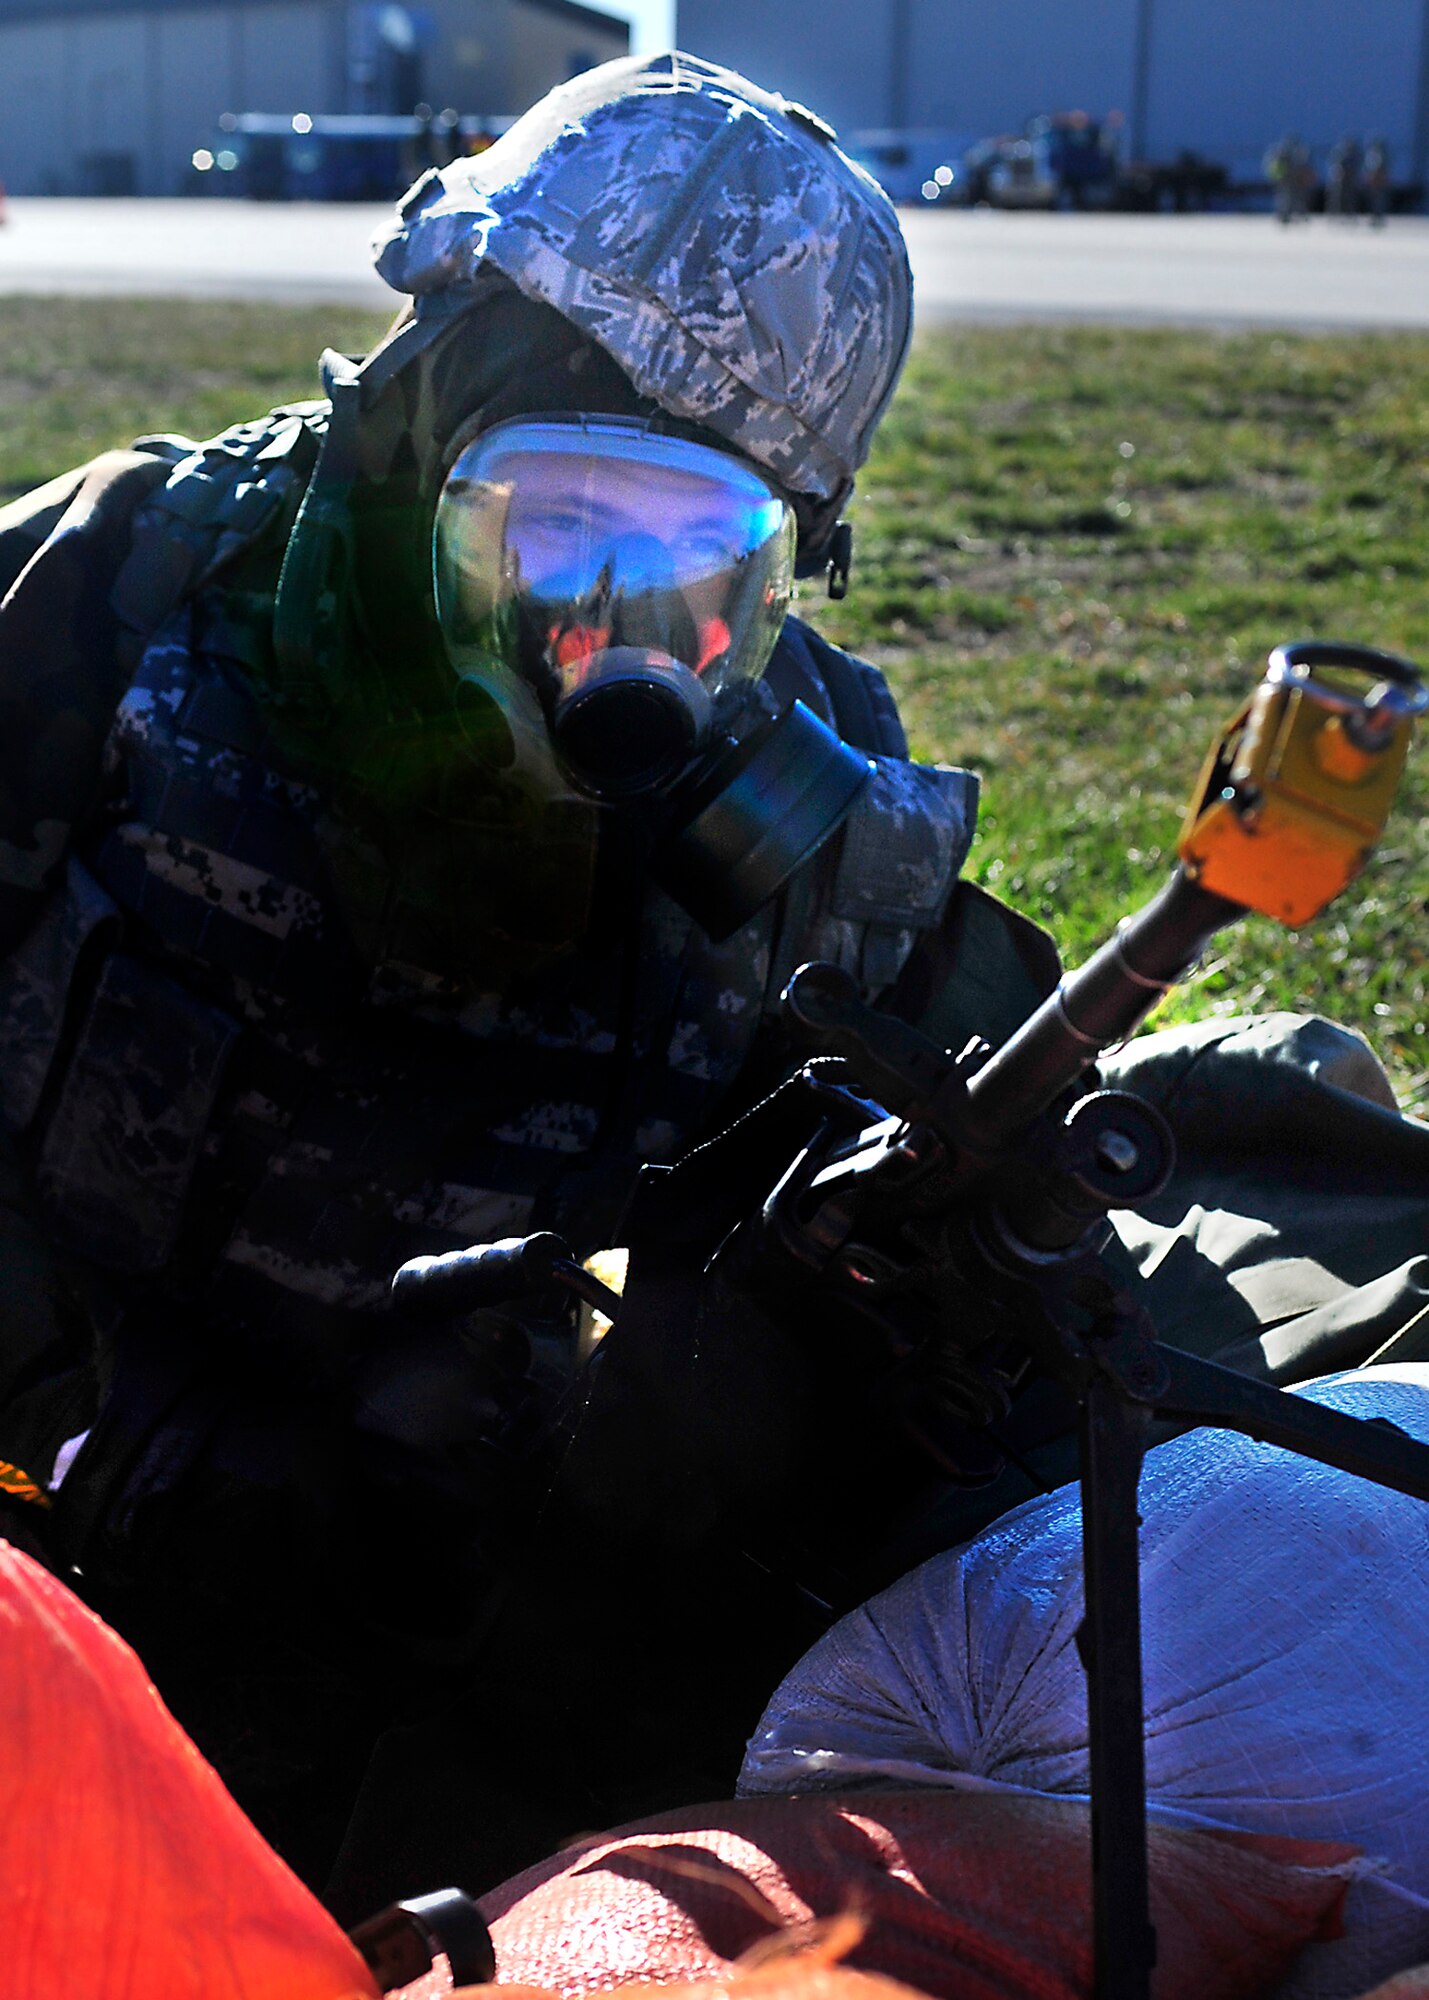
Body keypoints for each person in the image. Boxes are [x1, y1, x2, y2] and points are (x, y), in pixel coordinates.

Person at [2, 48, 1428, 1920]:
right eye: (563, 527)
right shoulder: (102, 607)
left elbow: (931, 1211)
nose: (607, 638)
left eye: (699, 569)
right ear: (421, 417)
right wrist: (100, 1419)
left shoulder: (805, 792)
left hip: (483, 1603)